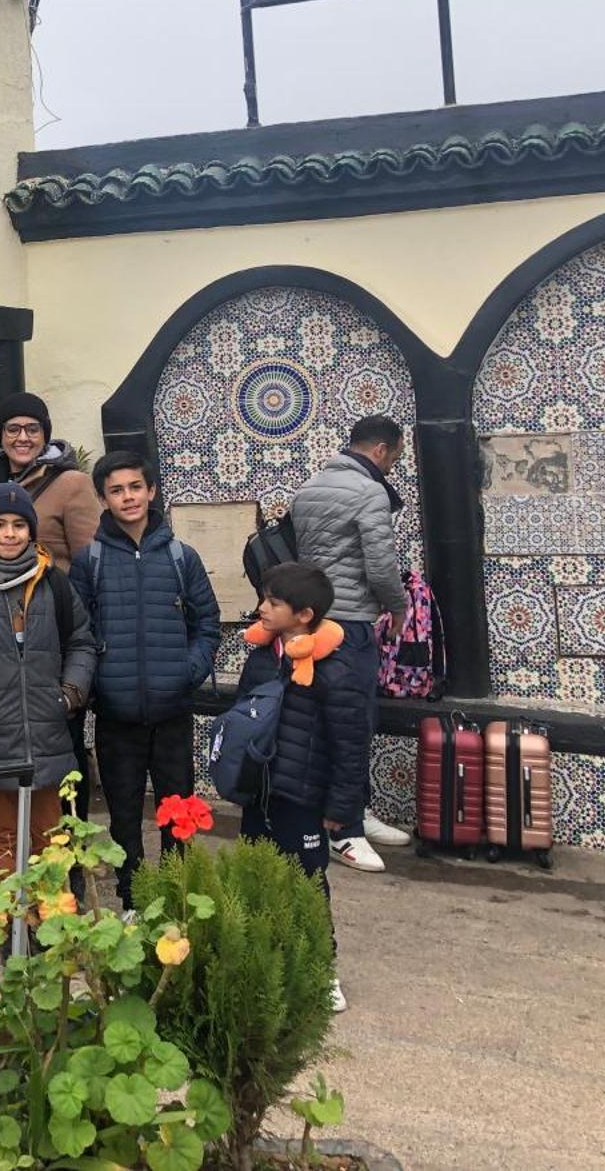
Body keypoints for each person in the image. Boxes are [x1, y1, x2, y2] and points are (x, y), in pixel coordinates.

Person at [71, 450, 222, 903]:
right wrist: (99, 684)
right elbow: (78, 631)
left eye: (135, 487)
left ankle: (176, 895)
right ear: (103, 498)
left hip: (172, 709)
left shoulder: (181, 556)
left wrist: (187, 672)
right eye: (116, 490)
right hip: (116, 714)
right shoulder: (90, 560)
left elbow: (207, 623)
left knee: (178, 813)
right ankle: (134, 898)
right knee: (122, 814)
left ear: (151, 491)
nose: (128, 497)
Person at [0, 483, 96, 875]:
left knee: (51, 835)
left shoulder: (53, 582)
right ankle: (9, 926)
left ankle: (49, 927)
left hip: (48, 732)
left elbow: (81, 642)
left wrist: (70, 695)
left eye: (18, 525)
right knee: (2, 837)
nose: (9, 534)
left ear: (31, 530)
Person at [235, 561, 366, 1014]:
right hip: (262, 790)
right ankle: (264, 956)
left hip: (304, 794)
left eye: (273, 602)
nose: (262, 609)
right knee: (256, 870)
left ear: (304, 614)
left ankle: (321, 966)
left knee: (308, 878)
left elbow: (350, 744)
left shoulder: (334, 668)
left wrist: (342, 807)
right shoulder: (261, 657)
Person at [287, 415, 412, 873]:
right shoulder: (369, 491)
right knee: (354, 722)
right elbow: (381, 564)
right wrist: (397, 607)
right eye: (394, 457)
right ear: (380, 450)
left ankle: (352, 810)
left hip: (313, 621)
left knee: (327, 723)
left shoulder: (311, 486)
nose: (392, 466)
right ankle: (344, 829)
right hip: (353, 623)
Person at [0, 392, 101, 562]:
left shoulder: (72, 484)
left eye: (32, 430)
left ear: (45, 435)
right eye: (13, 430)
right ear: (1, 435)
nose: (23, 438)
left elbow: (90, 563)